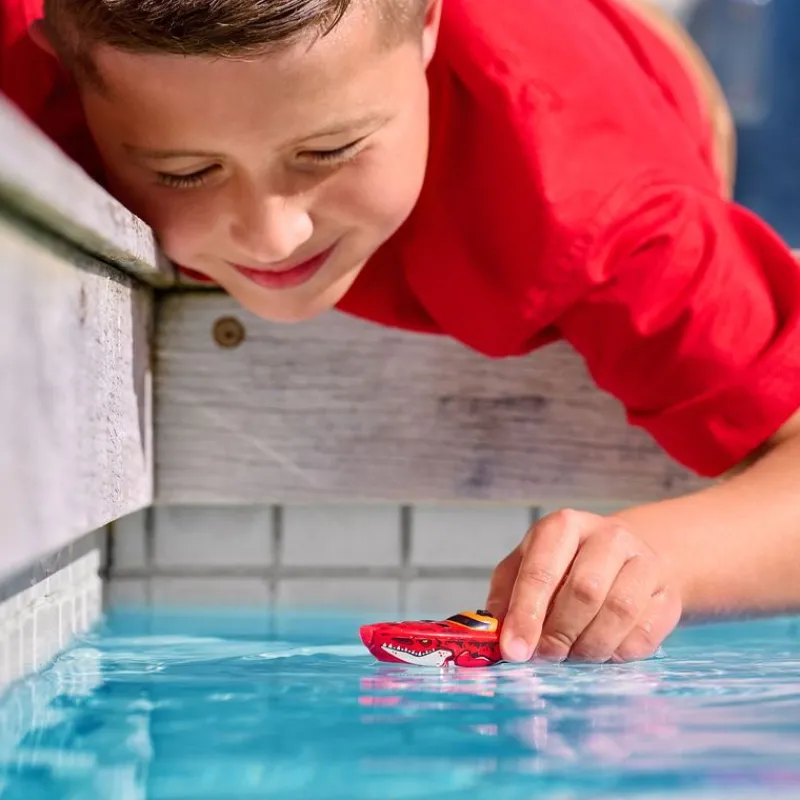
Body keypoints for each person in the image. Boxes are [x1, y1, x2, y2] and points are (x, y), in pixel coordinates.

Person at [3, 0, 799, 665]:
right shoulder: (41, 52)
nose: (273, 235)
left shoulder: (598, 213)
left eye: (327, 151)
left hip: (632, 76)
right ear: (65, 68)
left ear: (426, 26)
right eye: (183, 170)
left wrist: (665, 558)